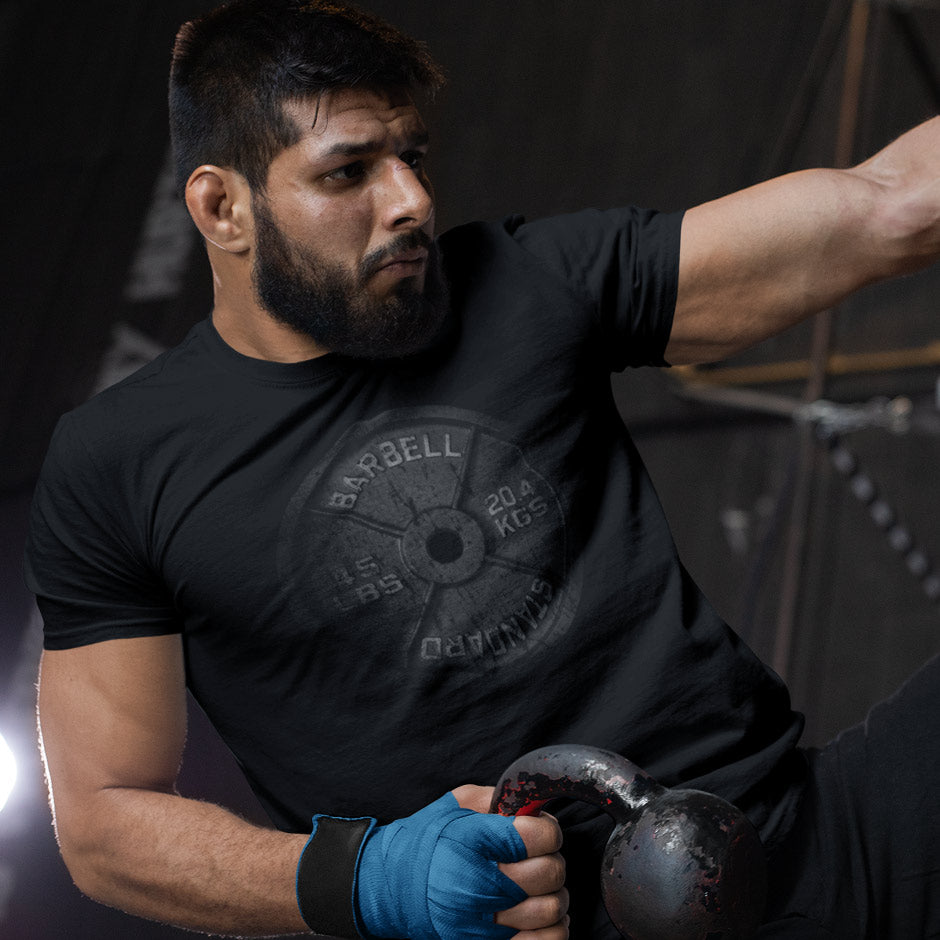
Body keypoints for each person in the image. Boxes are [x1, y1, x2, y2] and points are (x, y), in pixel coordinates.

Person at [24, 1, 940, 937]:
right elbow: (104, 825)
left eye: (410, 157)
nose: (411, 199)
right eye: (348, 170)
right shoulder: (118, 466)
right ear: (224, 208)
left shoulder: (528, 281)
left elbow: (890, 207)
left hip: (807, 842)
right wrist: (369, 878)